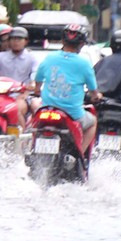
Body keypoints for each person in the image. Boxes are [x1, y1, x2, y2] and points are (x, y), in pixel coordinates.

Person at [32, 22, 101, 155]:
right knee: (92, 122)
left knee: (34, 124)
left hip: (46, 109)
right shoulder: (84, 63)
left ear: (62, 40)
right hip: (73, 114)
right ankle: (80, 153)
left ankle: (33, 148)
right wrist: (96, 96)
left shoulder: (49, 58)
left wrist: (36, 90)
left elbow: (38, 80)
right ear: (81, 44)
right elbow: (93, 90)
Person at [0, 24, 37, 88]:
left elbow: (35, 73)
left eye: (19, 39)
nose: (16, 42)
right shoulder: (0, 56)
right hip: (2, 91)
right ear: (9, 41)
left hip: (23, 93)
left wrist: (32, 83)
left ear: (26, 41)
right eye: (13, 39)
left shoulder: (31, 57)